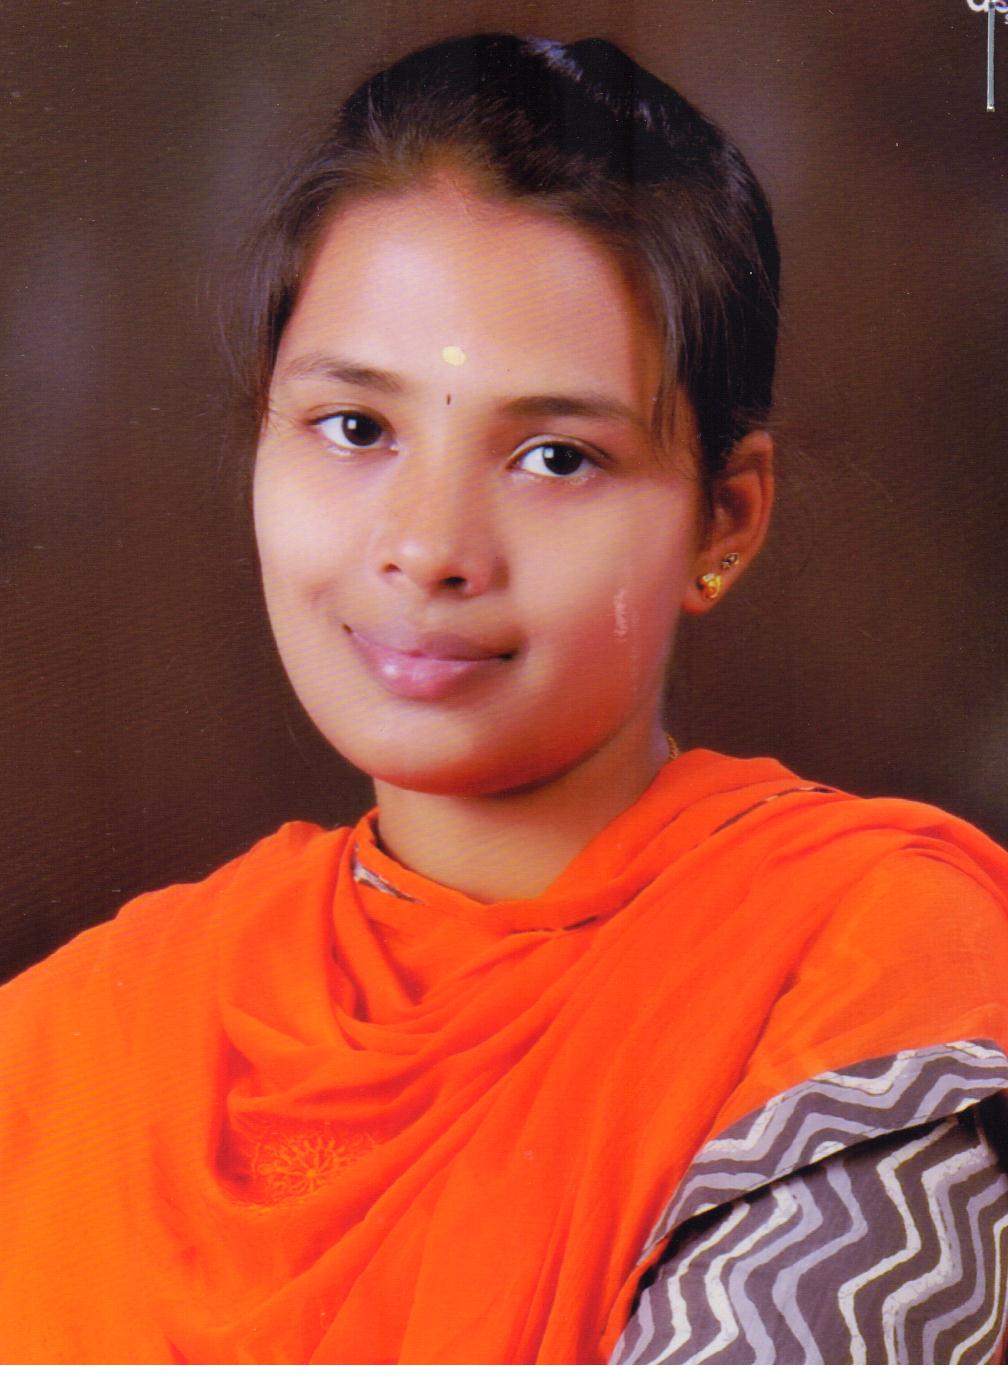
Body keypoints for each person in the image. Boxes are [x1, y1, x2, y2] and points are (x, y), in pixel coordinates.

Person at [2, 32, 1007, 1365]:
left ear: (726, 520)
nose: (429, 546)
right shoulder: (71, 1039)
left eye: (556, 456)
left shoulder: (871, 973)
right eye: (356, 428)